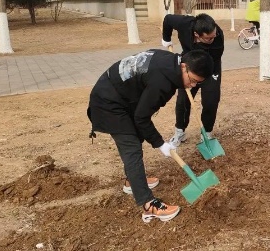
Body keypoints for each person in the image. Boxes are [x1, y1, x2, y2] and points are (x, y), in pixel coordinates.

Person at [87, 49, 214, 222]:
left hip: (122, 96)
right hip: (108, 103)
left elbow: (141, 112)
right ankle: (149, 205)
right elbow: (141, 118)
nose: (192, 85)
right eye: (192, 80)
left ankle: (132, 181)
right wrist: (160, 144)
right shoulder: (162, 82)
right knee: (131, 147)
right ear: (184, 66)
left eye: (197, 83)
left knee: (137, 136)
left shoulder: (171, 62)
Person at [162, 13, 224, 145]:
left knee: (211, 100)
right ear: (197, 34)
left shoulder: (217, 39)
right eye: (208, 38)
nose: (213, 38)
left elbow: (210, 63)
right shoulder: (184, 23)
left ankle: (207, 133)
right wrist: (166, 38)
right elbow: (168, 20)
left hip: (210, 67)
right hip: (189, 65)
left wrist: (201, 80)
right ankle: (180, 132)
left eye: (214, 35)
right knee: (183, 101)